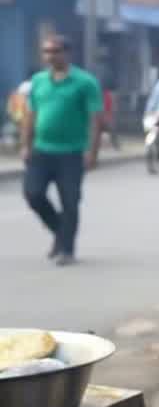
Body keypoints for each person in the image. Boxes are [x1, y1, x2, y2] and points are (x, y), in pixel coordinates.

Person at [21, 36, 102, 266]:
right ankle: (59, 230)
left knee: (70, 201)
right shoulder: (38, 81)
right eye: (46, 51)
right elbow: (30, 115)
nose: (50, 56)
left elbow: (95, 119)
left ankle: (67, 249)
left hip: (72, 152)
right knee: (33, 194)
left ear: (67, 53)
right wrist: (25, 144)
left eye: (55, 51)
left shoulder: (85, 82)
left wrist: (92, 151)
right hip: (42, 150)